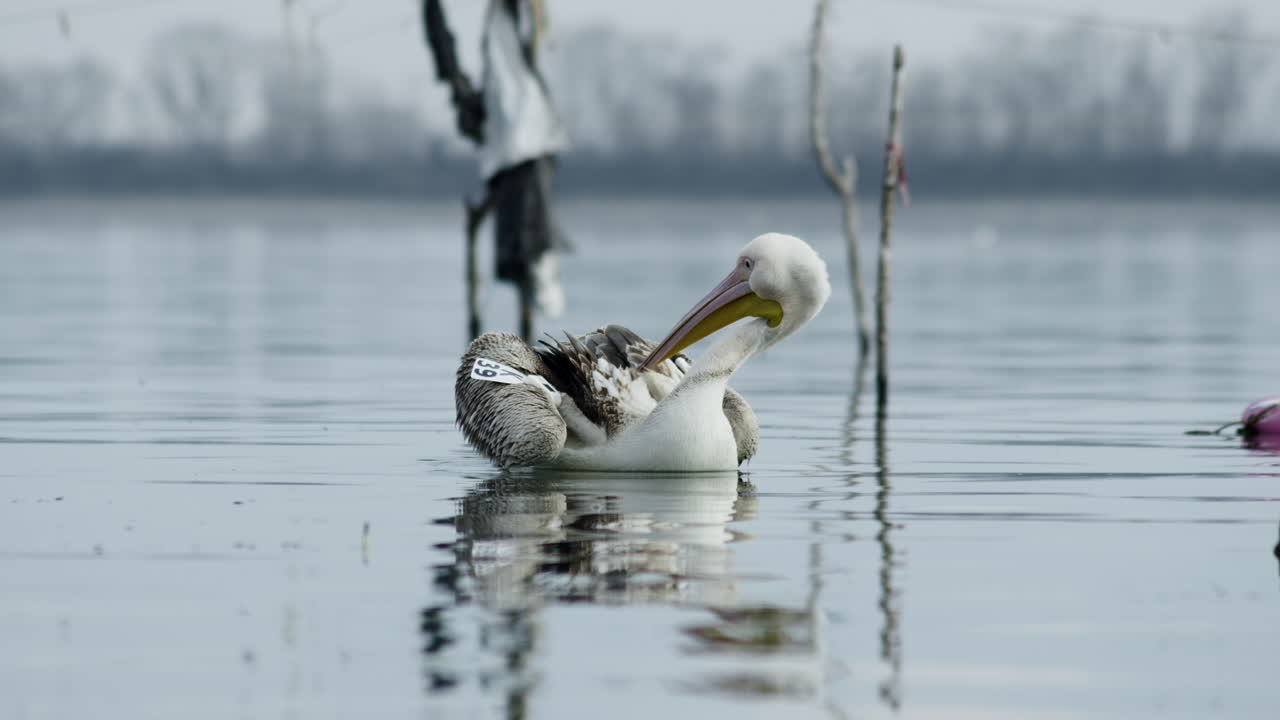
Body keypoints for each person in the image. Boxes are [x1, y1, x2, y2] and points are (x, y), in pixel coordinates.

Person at [422, 0, 568, 339]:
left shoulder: (516, 42)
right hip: (512, 148)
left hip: (523, 146)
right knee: (519, 255)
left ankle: (531, 303)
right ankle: (520, 320)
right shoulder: (501, 54)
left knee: (527, 252)